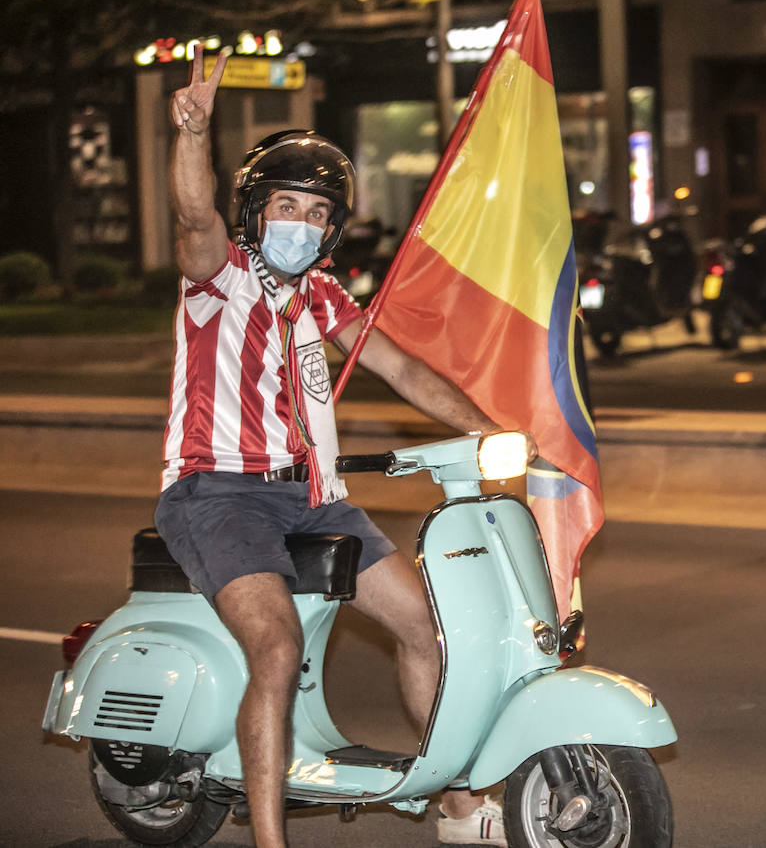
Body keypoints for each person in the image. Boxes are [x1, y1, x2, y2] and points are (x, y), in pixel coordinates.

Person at [155, 46, 512, 846]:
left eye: (318, 214)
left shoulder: (321, 294)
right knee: (276, 648)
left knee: (427, 626)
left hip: (314, 498)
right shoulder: (218, 276)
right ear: (255, 210)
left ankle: (456, 808)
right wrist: (192, 133)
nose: (302, 225)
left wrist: (489, 430)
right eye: (287, 206)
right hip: (219, 494)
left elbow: (401, 368)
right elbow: (192, 216)